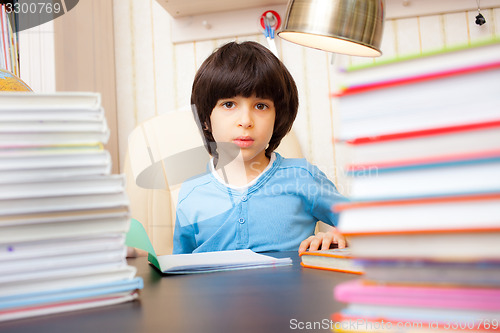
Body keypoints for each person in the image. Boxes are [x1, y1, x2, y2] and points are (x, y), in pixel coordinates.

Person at [172, 41, 347, 254]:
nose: (246, 121)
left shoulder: (303, 177)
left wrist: (342, 235)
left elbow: (367, 224)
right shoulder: (191, 194)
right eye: (229, 104)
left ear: (278, 118)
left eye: (261, 106)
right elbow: (178, 270)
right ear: (205, 120)